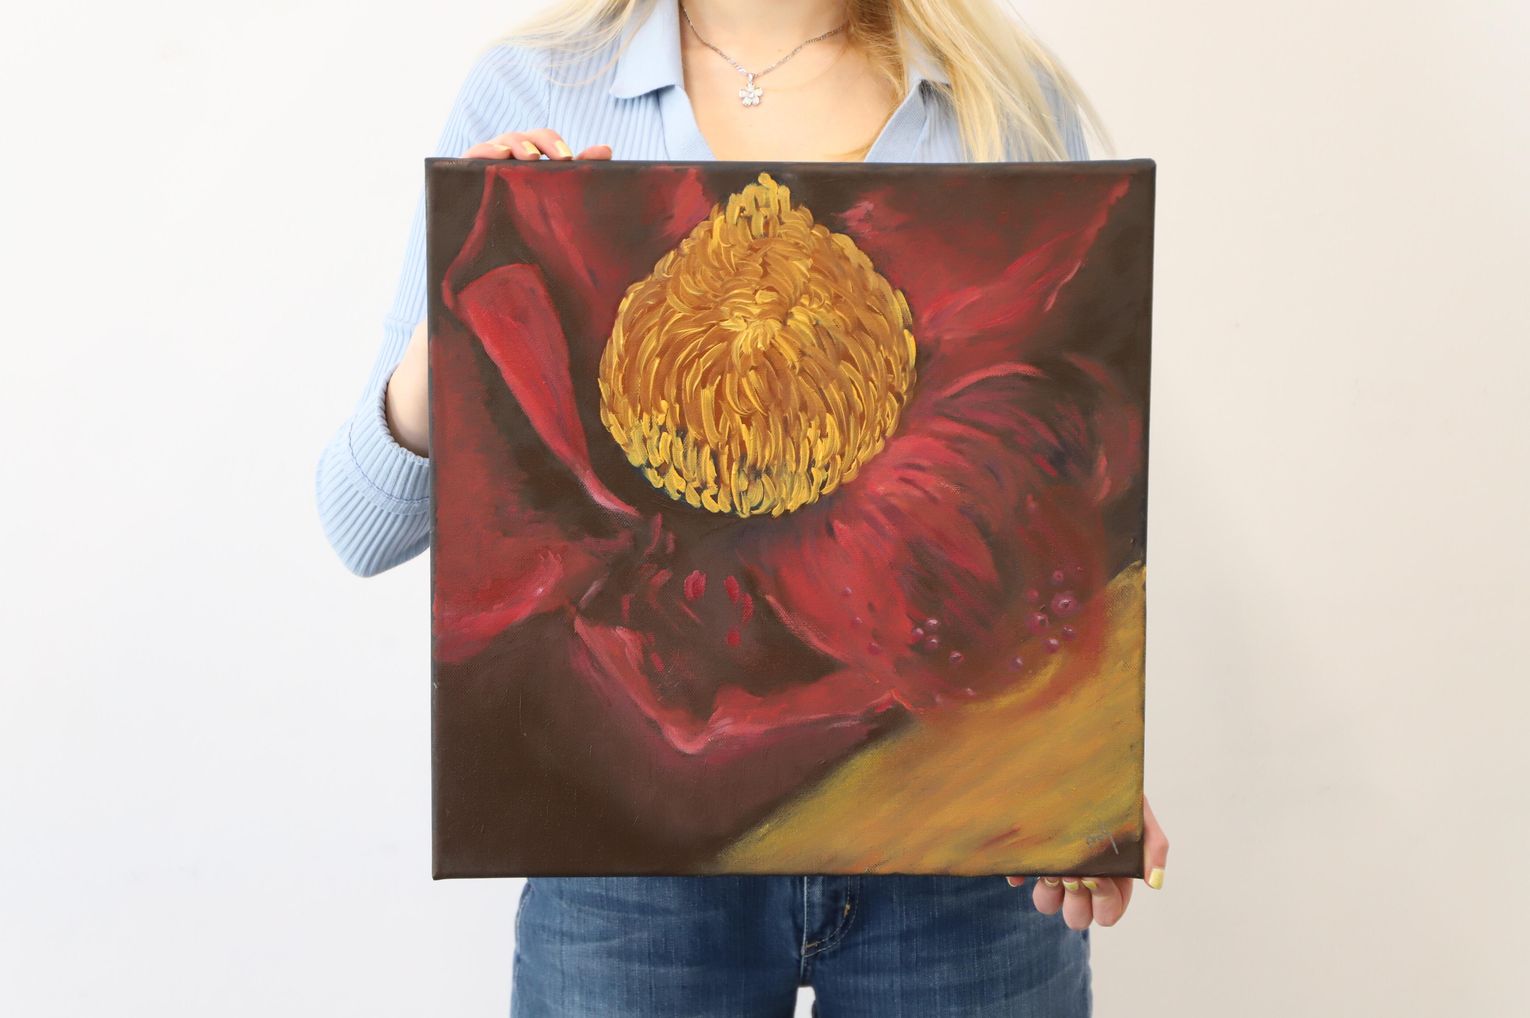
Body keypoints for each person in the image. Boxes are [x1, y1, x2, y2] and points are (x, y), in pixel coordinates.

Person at [314, 0, 1169, 1013]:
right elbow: (360, 524)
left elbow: (1067, 510)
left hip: (962, 858)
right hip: (629, 882)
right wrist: (458, 320)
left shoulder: (1002, 97)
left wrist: (1088, 782)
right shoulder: (536, 87)